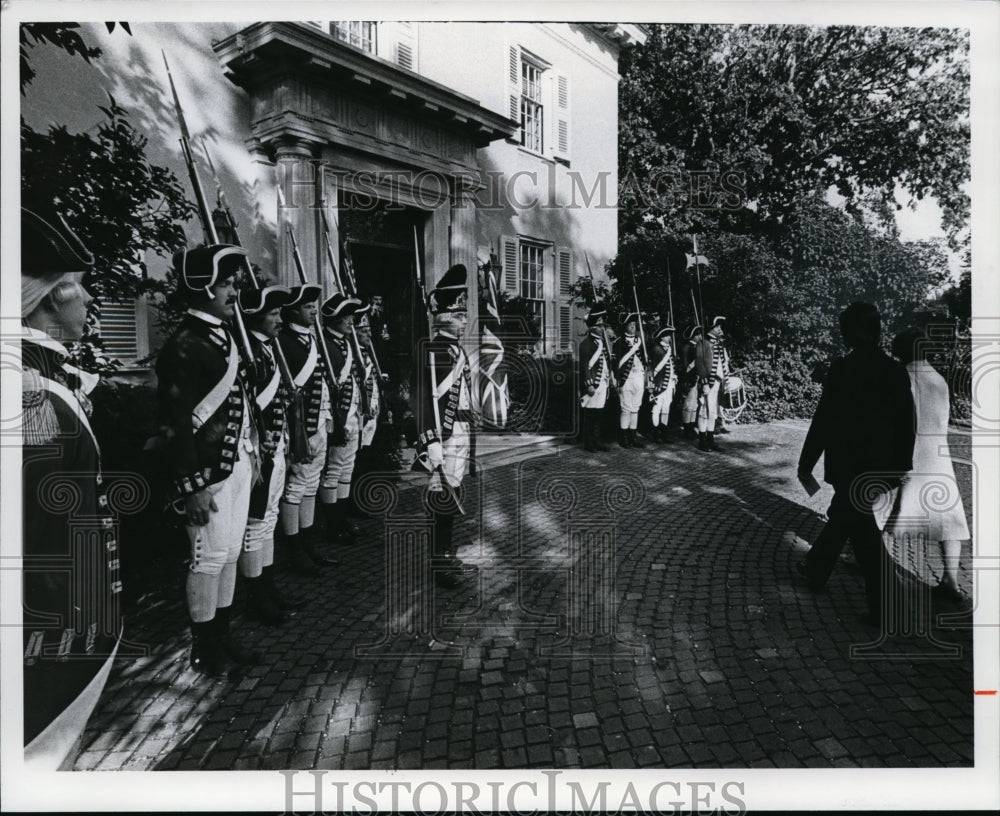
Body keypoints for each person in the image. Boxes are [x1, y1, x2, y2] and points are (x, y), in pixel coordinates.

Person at [21, 207, 123, 768]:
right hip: (43, 652)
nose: (89, 301)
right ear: (48, 296)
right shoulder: (28, 393)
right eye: (79, 288)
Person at [155, 244, 262, 676]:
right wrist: (192, 485)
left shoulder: (223, 336)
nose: (234, 289)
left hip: (235, 464)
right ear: (201, 287)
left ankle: (223, 636)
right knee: (208, 558)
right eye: (225, 282)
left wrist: (250, 459)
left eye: (235, 281)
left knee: (230, 553)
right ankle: (204, 649)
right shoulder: (183, 344)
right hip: (207, 475)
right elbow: (175, 424)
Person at [796, 302, 916, 625]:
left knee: (861, 532)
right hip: (882, 466)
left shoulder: (842, 369)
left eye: (844, 329)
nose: (842, 335)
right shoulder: (894, 371)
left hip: (850, 466)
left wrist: (806, 462)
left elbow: (823, 421)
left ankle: (885, 606)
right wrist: (902, 465)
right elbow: (908, 422)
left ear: (853, 332)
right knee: (848, 517)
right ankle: (817, 567)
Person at [886, 327, 971, 607]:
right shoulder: (939, 379)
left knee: (881, 507)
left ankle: (875, 565)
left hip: (906, 452)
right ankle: (950, 579)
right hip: (937, 455)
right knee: (947, 517)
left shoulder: (900, 376)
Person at [414, 264, 479, 588]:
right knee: (442, 499)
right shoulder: (431, 350)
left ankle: (446, 554)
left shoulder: (455, 350)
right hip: (443, 438)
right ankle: (439, 562)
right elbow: (422, 400)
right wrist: (429, 441)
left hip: (459, 433)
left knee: (451, 497)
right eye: (459, 314)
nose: (465, 319)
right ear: (444, 317)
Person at [237, 285, 296, 625]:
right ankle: (256, 597)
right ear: (256, 317)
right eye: (273, 314)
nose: (279, 319)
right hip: (261, 450)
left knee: (268, 519)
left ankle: (269, 588)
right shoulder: (248, 352)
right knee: (255, 524)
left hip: (276, 445)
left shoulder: (267, 349)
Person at [276, 284, 339, 573]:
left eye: (314, 306)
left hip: (319, 422)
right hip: (300, 427)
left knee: (311, 485)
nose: (314, 310)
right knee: (296, 486)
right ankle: (294, 549)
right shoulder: (284, 341)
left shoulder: (312, 340)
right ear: (292, 311)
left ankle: (308, 543)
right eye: (307, 307)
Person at [318, 293, 367, 543]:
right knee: (334, 470)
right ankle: (332, 524)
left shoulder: (346, 343)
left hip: (352, 414)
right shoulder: (324, 344)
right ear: (334, 318)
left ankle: (342, 518)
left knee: (346, 468)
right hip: (338, 415)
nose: (351, 320)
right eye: (346, 315)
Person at [578, 302, 613, 452]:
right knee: (590, 415)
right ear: (593, 327)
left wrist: (610, 375)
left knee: (599, 414)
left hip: (602, 383)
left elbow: (606, 362)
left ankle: (597, 441)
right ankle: (589, 443)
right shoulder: (586, 344)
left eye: (602, 326)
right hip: (593, 384)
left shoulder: (602, 343)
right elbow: (585, 366)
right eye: (599, 326)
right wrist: (589, 384)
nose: (602, 328)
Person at [694, 315, 730, 452]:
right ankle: (702, 440)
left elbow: (723, 363)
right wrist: (704, 383)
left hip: (717, 382)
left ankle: (710, 439)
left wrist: (725, 378)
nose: (720, 329)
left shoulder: (719, 344)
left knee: (713, 411)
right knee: (704, 410)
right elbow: (700, 365)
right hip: (707, 382)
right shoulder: (702, 343)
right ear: (712, 328)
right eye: (718, 326)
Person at [614, 312, 648, 449]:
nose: (633, 327)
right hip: (626, 378)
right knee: (626, 408)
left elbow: (645, 361)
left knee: (635, 408)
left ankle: (633, 436)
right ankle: (624, 437)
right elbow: (615, 363)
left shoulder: (640, 341)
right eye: (630, 325)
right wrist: (617, 381)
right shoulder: (619, 342)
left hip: (639, 377)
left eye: (634, 325)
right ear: (625, 326)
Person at [648, 325, 678, 443]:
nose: (670, 337)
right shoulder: (657, 349)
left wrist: (674, 376)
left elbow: (671, 366)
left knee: (666, 408)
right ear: (662, 337)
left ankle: (664, 433)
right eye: (668, 335)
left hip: (669, 383)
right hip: (659, 383)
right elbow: (652, 368)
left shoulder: (669, 348)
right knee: (657, 408)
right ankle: (656, 433)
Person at [679, 324, 702, 439]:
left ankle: (691, 427)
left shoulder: (698, 347)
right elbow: (685, 366)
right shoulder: (687, 347)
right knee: (688, 405)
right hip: (689, 378)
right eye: (697, 334)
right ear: (692, 336)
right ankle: (687, 429)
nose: (700, 336)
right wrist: (686, 379)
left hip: (696, 378)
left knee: (694, 405)